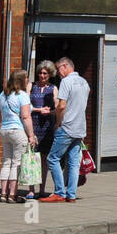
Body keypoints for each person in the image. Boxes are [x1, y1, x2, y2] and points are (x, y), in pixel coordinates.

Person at [44, 57, 90, 203]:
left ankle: (59, 192)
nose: (58, 73)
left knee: (52, 158)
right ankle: (71, 195)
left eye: (58, 69)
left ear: (65, 66)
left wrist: (58, 123)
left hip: (67, 127)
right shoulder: (84, 82)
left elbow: (62, 106)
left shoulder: (66, 82)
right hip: (80, 128)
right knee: (73, 162)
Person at [0, 69, 35, 203]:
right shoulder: (22, 95)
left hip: (5, 130)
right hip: (18, 131)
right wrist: (31, 135)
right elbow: (26, 117)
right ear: (21, 80)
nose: (28, 81)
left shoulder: (3, 94)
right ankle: (12, 194)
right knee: (16, 163)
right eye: (26, 78)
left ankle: (3, 194)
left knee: (6, 162)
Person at [26, 60, 58, 200]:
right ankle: (31, 190)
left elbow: (57, 107)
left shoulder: (53, 88)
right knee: (32, 158)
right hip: (33, 125)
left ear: (50, 74)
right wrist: (39, 110)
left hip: (47, 127)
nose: (42, 75)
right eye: (40, 72)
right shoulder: (31, 86)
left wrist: (51, 112)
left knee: (44, 160)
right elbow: (25, 105)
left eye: (45, 73)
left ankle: (42, 189)